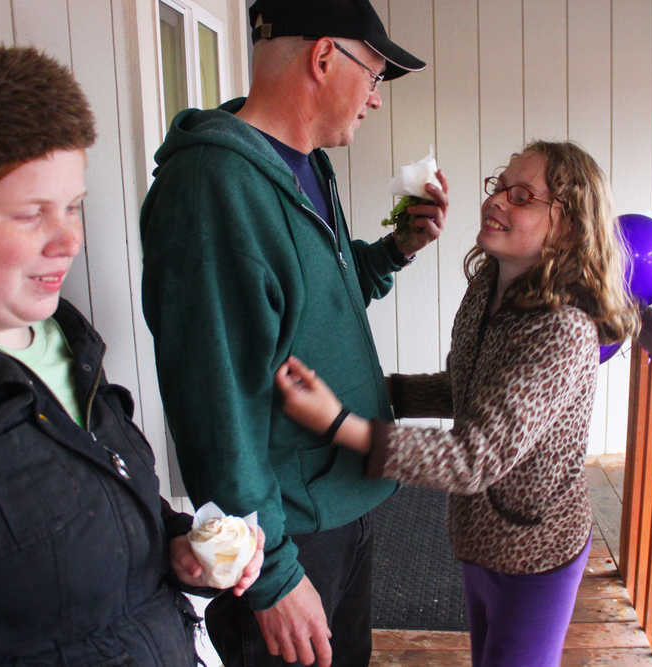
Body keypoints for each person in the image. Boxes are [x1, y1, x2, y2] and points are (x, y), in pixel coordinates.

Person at [0, 42, 264, 666]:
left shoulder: (68, 346)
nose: (69, 240)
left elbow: (86, 524)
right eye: (29, 214)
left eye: (72, 206)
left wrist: (177, 548)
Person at [138, 1, 448, 665]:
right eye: (375, 75)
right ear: (325, 55)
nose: (375, 100)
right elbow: (217, 405)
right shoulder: (214, 188)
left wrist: (396, 248)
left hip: (343, 504)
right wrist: (274, 571)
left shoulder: (305, 165)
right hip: (289, 532)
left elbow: (317, 303)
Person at [275, 141, 641, 667]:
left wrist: (341, 424)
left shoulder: (563, 329)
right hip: (477, 531)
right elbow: (467, 386)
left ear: (568, 223)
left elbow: (475, 456)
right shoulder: (489, 283)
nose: (496, 201)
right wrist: (383, 391)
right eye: (499, 186)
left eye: (521, 195)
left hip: (536, 546)